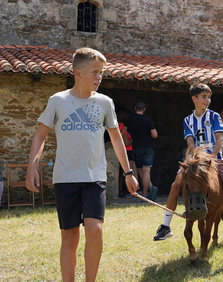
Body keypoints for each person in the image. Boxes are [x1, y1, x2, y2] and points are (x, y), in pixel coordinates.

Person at [24, 48, 138, 282]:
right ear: (77, 73)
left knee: (95, 230)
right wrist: (31, 166)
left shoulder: (105, 102)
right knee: (70, 236)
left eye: (101, 73)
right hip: (65, 178)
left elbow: (116, 138)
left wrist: (128, 173)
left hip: (94, 178)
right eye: (94, 72)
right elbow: (40, 135)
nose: (99, 77)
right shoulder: (58, 101)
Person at [153, 83, 223, 242]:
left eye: (209, 97)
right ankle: (165, 226)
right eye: (204, 97)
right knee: (175, 186)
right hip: (195, 160)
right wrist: (198, 158)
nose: (208, 100)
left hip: (215, 159)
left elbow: (219, 141)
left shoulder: (215, 117)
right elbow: (190, 142)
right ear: (194, 98)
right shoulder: (187, 120)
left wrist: (210, 158)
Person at [126, 101, 158, 200]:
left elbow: (123, 131)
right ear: (144, 109)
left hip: (138, 147)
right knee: (146, 170)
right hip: (149, 147)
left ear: (135, 108)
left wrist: (128, 140)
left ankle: (149, 189)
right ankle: (147, 191)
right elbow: (155, 135)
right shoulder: (147, 120)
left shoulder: (131, 118)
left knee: (140, 170)